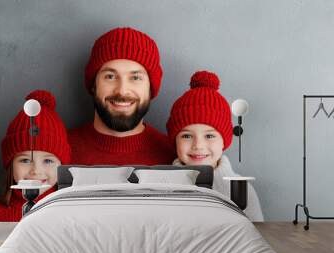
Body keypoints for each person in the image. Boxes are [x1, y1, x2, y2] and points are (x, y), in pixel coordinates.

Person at [69, 27, 175, 165]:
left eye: (135, 77)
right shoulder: (51, 156)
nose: (122, 91)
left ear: (151, 88)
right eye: (110, 76)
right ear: (94, 84)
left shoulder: (175, 157)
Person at [166, 70, 264, 221]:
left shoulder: (242, 190)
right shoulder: (163, 186)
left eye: (209, 136)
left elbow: (257, 234)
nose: (198, 145)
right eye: (187, 136)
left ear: (225, 140)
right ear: (175, 140)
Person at [0, 90, 71, 222]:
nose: (36, 171)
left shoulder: (71, 215)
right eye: (25, 160)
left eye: (47, 161)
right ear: (11, 164)